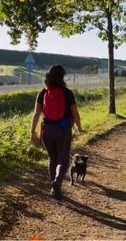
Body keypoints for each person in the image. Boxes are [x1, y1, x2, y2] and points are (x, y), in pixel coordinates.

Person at [30, 65, 83, 200]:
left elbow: (36, 114)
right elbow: (75, 113)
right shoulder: (67, 93)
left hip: (47, 129)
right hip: (63, 129)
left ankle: (53, 187)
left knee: (52, 159)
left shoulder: (43, 93)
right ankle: (57, 182)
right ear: (62, 77)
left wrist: (32, 132)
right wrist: (79, 127)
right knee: (63, 160)